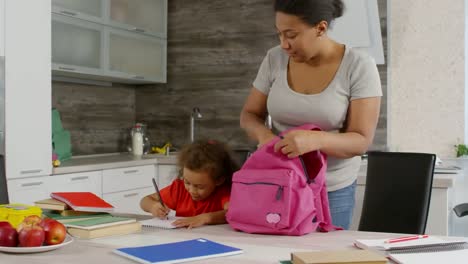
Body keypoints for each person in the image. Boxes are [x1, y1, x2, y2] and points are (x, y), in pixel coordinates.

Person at [239, 0, 382, 229]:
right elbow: (249, 115)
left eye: (291, 35)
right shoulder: (274, 59)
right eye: (279, 34)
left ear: (321, 28)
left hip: (331, 189)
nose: (284, 44)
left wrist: (315, 140)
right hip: (279, 182)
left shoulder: (358, 65)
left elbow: (360, 141)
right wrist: (265, 137)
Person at [140, 139, 239, 229]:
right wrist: (153, 206)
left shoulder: (223, 192)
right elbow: (145, 201)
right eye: (187, 182)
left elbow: (233, 213)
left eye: (199, 186)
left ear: (219, 180)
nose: (191, 190)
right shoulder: (179, 188)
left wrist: (205, 218)